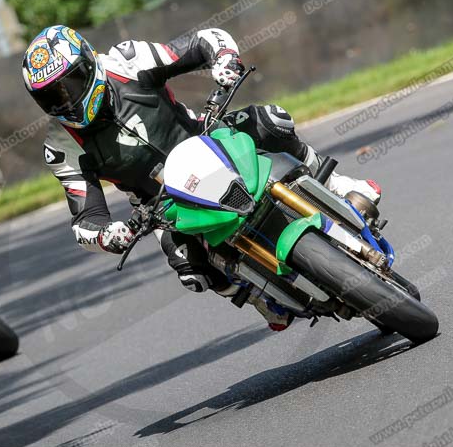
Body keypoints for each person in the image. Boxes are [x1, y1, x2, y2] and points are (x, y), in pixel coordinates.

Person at [22, 25, 382, 331]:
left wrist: (224, 60)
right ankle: (257, 294)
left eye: (71, 84)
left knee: (271, 120)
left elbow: (203, 40)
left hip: (211, 138)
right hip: (162, 202)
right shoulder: (61, 146)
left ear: (90, 62)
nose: (65, 101)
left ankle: (339, 185)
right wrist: (106, 235)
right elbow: (85, 219)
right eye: (51, 97)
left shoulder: (126, 61)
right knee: (187, 266)